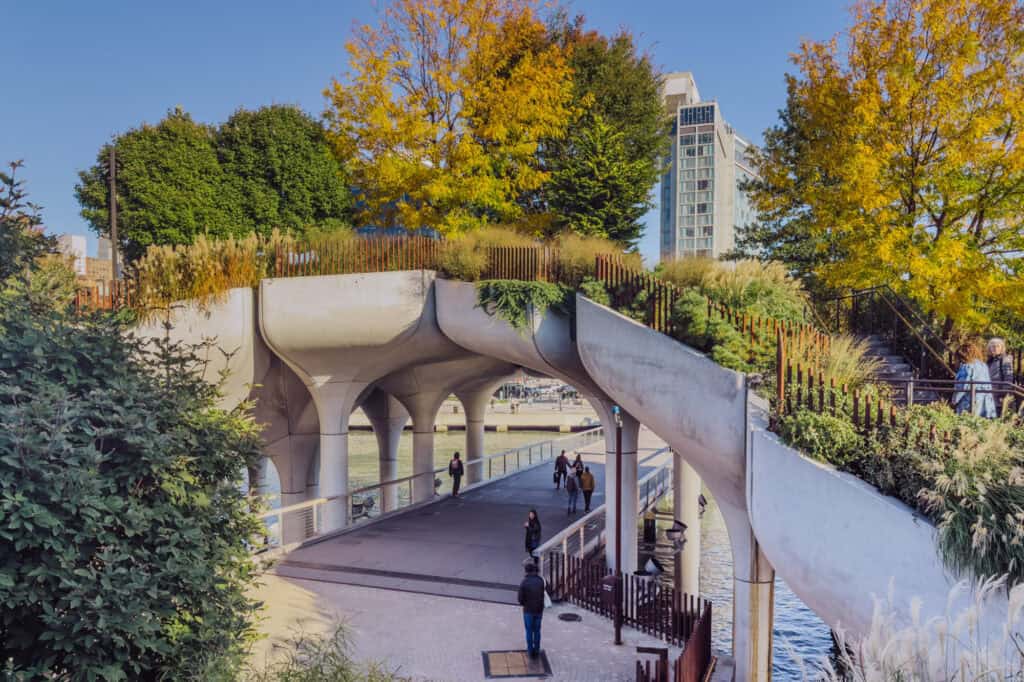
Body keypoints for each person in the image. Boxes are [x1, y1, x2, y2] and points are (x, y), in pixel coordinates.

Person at [952, 340, 996, 418]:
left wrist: (954, 401)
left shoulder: (967, 367)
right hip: (985, 402)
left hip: (970, 402)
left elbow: (962, 387)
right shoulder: (983, 365)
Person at [517, 559, 545, 658]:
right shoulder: (540, 580)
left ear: (526, 571)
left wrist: (524, 603)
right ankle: (536, 650)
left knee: (529, 630)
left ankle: (530, 650)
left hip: (528, 610)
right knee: (537, 630)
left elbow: (520, 599)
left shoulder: (524, 582)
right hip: (539, 610)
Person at [987, 337, 1015, 416]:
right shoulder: (990, 360)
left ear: (1002, 348)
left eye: (997, 346)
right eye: (992, 346)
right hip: (991, 394)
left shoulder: (1005, 359)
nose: (995, 348)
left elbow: (1008, 378)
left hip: (1000, 395)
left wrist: (1004, 394)